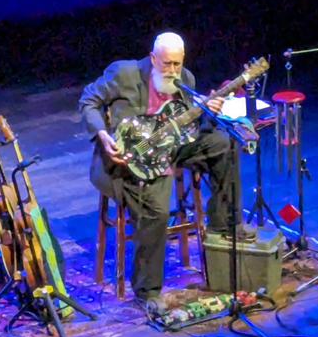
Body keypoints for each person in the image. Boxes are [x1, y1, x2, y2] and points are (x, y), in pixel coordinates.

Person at [79, 31, 253, 315]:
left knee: (224, 143)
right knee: (157, 211)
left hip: (170, 148)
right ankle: (147, 290)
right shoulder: (124, 73)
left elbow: (189, 129)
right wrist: (101, 133)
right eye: (166, 64)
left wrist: (207, 112)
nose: (173, 71)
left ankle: (224, 221)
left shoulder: (186, 81)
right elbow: (89, 100)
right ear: (152, 58)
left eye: (177, 64)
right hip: (128, 159)